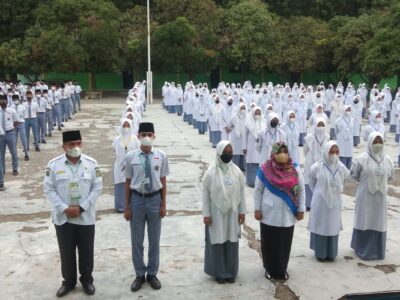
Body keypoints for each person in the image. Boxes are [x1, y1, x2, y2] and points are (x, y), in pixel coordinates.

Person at [43, 130, 103, 297]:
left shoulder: (91, 164)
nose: (76, 147)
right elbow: (48, 189)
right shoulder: (54, 165)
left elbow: (97, 188)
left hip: (85, 216)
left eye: (78, 143)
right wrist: (64, 208)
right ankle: (68, 282)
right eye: (71, 144)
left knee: (86, 250)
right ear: (64, 147)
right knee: (66, 251)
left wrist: (81, 207)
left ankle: (87, 281)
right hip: (64, 218)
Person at [124, 122, 170, 292]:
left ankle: (152, 273)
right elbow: (127, 182)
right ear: (138, 136)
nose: (146, 137)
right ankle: (139, 274)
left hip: (154, 200)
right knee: (136, 240)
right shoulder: (131, 157)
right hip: (137, 200)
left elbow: (163, 180)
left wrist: (164, 204)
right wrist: (127, 207)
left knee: (154, 240)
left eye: (150, 134)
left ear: (154, 136)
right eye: (143, 134)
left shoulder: (161, 155)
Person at [254, 142, 305, 281]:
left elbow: (301, 190)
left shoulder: (295, 169)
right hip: (269, 213)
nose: (282, 154)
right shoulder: (264, 169)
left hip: (288, 213)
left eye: (284, 151)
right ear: (273, 153)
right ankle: (269, 269)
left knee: (284, 243)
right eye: (279, 152)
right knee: (269, 242)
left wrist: (301, 209)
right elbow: (258, 190)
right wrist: (257, 209)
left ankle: (282, 269)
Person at [202, 140, 246, 284]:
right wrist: (206, 215)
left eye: (230, 151)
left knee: (231, 240)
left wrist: (242, 212)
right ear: (219, 153)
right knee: (218, 240)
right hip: (216, 214)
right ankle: (219, 272)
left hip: (232, 213)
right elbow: (205, 196)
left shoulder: (236, 171)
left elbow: (242, 192)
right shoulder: (211, 173)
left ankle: (231, 271)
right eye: (226, 151)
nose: (228, 154)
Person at [350, 132, 394, 260]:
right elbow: (354, 175)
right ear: (369, 143)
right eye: (375, 142)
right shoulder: (361, 159)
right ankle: (362, 249)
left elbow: (390, 176)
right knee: (365, 219)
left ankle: (377, 250)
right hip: (365, 196)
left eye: (380, 141)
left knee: (378, 220)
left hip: (381, 197)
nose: (378, 144)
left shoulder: (387, 159)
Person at [308, 141, 349, 262]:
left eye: (336, 152)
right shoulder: (316, 167)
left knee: (332, 225)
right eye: (331, 151)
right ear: (326, 151)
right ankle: (320, 253)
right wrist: (320, 192)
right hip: (320, 202)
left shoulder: (341, 167)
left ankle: (331, 253)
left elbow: (345, 181)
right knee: (321, 225)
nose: (334, 154)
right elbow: (311, 184)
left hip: (335, 202)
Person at [112, 119, 140, 212]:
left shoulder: (135, 138)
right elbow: (114, 149)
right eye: (124, 126)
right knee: (120, 184)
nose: (126, 128)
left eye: (128, 125)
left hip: (132, 164)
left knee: (132, 184)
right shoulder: (117, 139)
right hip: (119, 165)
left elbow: (138, 150)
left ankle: (132, 205)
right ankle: (121, 206)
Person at [303, 119, 330, 210]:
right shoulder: (309, 137)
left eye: (323, 125)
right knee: (309, 181)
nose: (321, 127)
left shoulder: (327, 136)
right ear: (315, 126)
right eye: (319, 125)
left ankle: (319, 204)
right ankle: (308, 204)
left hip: (323, 161)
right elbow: (305, 150)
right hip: (310, 160)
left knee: (321, 182)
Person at [243, 106, 264, 187]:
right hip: (250, 147)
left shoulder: (263, 122)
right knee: (251, 164)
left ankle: (258, 182)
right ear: (253, 113)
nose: (257, 114)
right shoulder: (248, 123)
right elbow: (245, 136)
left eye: (259, 113)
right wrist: (244, 147)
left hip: (260, 148)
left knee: (259, 165)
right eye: (256, 113)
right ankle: (251, 182)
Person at [0, 97, 18, 175]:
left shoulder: (12, 111)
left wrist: (11, 128)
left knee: (13, 152)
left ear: (7, 101)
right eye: (1, 100)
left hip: (10, 133)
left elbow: (16, 121)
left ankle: (15, 169)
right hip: (1, 135)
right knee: (1, 154)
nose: (3, 102)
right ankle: (2, 170)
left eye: (4, 100)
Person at [334, 105, 354, 169]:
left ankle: (348, 168)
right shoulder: (338, 120)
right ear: (343, 110)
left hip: (349, 140)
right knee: (342, 153)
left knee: (349, 154)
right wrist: (340, 136)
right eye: (347, 110)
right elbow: (336, 130)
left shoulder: (352, 119)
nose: (348, 111)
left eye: (349, 110)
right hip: (341, 140)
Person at [229, 104, 247, 171]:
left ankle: (243, 167)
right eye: (241, 108)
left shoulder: (247, 116)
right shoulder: (234, 116)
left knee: (243, 151)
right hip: (235, 138)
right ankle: (235, 167)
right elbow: (229, 124)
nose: (242, 109)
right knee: (236, 151)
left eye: (244, 108)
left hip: (244, 137)